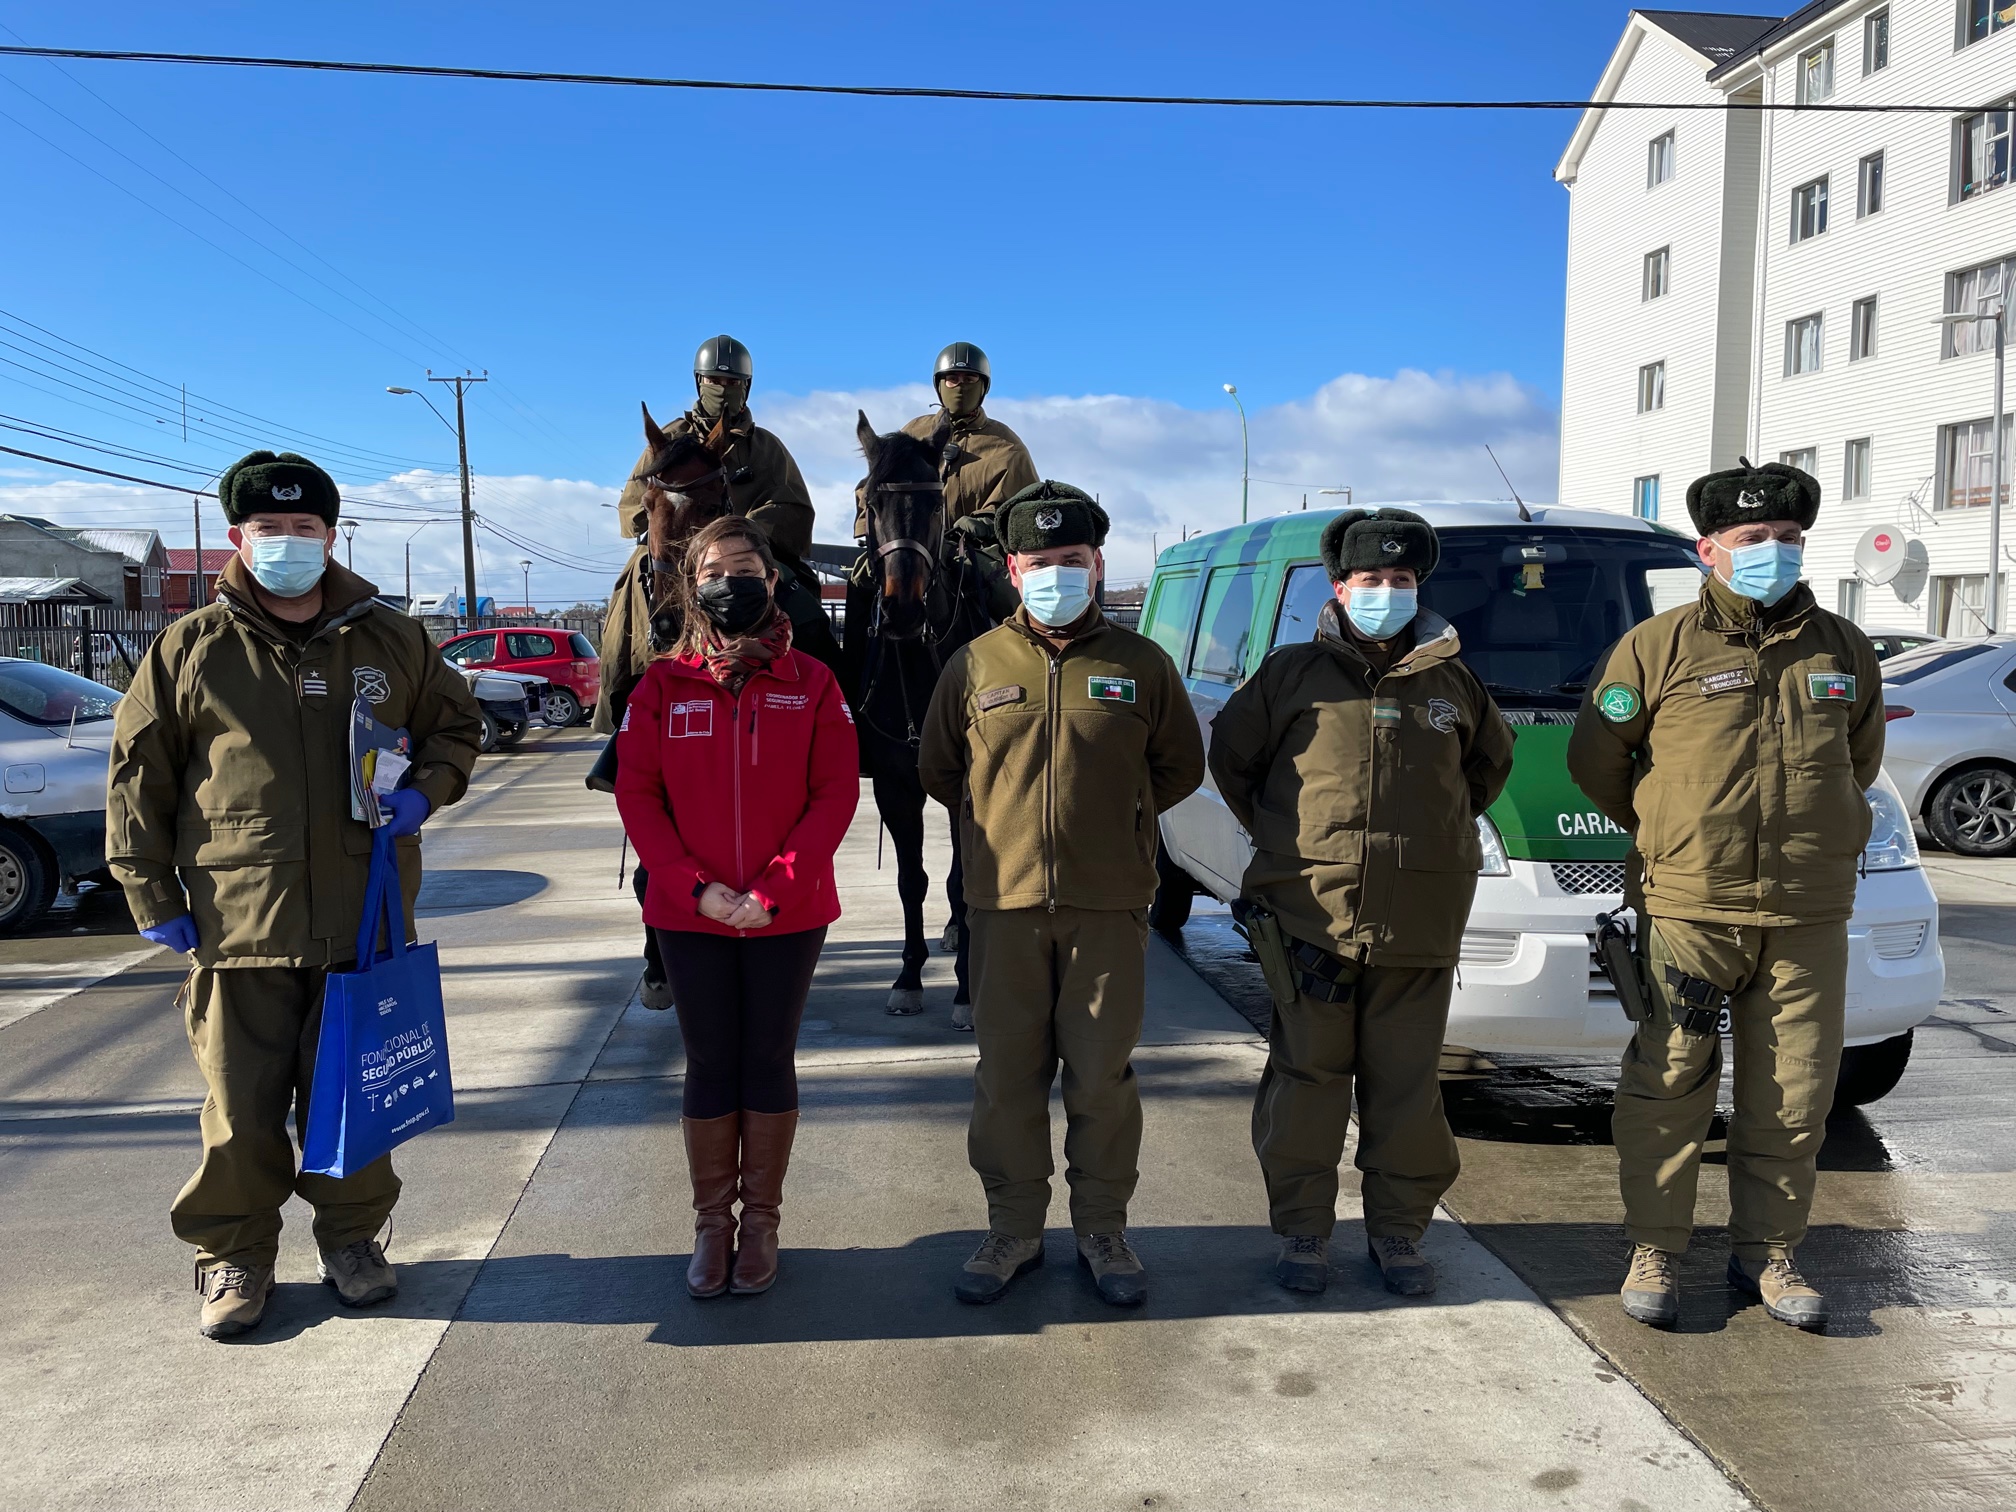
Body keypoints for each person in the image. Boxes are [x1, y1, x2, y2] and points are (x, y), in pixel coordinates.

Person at [106, 450, 482, 1340]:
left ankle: (352, 1240)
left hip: (365, 914)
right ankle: (234, 1253)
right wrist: (149, 893)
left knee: (354, 1098)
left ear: (330, 534)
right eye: (268, 530)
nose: (286, 544)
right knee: (240, 1108)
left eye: (303, 529)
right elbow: (138, 777)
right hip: (237, 924)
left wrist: (424, 792)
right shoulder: (191, 648)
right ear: (239, 536)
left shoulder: (390, 638)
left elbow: (455, 724)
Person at [1568, 460, 1884, 1333]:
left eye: (1788, 539)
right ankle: (1658, 1248)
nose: (1773, 553)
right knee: (1669, 1082)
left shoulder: (1841, 647)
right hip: (1690, 906)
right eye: (1753, 540)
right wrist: (1674, 827)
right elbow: (1600, 761)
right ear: (1709, 549)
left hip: (1806, 910)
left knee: (1795, 1092)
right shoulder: (1656, 646)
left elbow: (1858, 765)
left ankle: (1768, 1256)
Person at [1208, 509, 1514, 1297]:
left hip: (1418, 926)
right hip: (1310, 919)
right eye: (1370, 580)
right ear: (1339, 587)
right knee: (1307, 1083)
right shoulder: (1290, 675)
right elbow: (1234, 764)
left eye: (1401, 580)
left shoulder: (1454, 685)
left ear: (1419, 588)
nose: (1386, 592)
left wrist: (1427, 847)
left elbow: (1483, 775)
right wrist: (1294, 844)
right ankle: (1305, 1233)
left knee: (1407, 1088)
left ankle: (1399, 1234)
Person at [918, 482, 1205, 1307]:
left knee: (1101, 1077)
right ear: (1013, 569)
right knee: (1006, 1077)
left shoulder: (1140, 664)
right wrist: (1000, 834)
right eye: (1040, 563)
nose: (1056, 575)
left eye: (1071, 562)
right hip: (1002, 909)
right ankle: (1012, 1230)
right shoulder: (972, 665)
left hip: (1108, 908)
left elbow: (1179, 765)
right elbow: (941, 770)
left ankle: (1103, 1232)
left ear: (1097, 564)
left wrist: (1121, 820)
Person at [615, 515, 859, 1299]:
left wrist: (774, 889)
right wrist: (694, 887)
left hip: (787, 911)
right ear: (693, 584)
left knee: (767, 1058)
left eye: (744, 564)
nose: (730, 579)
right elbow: (639, 795)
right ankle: (711, 1223)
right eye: (713, 567)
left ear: (772, 577)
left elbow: (834, 795)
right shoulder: (662, 684)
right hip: (691, 914)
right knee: (711, 1060)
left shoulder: (813, 682)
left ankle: (762, 1222)